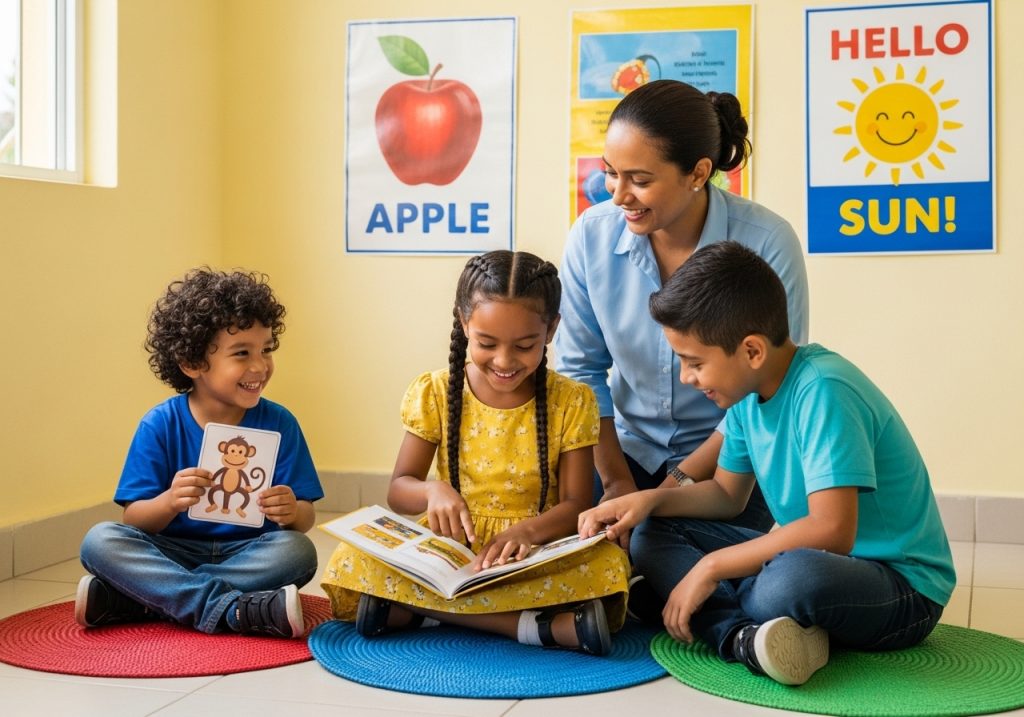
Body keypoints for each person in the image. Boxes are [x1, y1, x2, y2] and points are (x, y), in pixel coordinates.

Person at [578, 241, 955, 685]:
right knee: (654, 529)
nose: (685, 377)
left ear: (751, 350)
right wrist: (646, 502)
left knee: (790, 578)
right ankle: (743, 636)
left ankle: (711, 612)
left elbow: (833, 531)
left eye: (694, 362)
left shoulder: (824, 389)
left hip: (902, 590)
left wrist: (708, 567)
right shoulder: (748, 398)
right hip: (823, 562)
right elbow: (725, 495)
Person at [321, 250, 630, 656]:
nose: (504, 361)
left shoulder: (572, 401)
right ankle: (535, 627)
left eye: (525, 345)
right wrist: (432, 493)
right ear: (464, 322)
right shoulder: (434, 391)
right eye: (486, 343)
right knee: (348, 559)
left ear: (552, 329)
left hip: (531, 551)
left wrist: (526, 532)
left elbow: (577, 504)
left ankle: (421, 612)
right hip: (450, 548)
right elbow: (399, 489)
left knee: (609, 566)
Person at [555, 79, 809, 533]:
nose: (617, 195)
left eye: (641, 180)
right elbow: (581, 372)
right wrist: (617, 485)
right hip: (622, 451)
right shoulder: (590, 236)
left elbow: (769, 385)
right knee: (567, 554)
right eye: (611, 171)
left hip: (731, 462)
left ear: (697, 173)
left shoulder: (767, 242)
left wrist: (668, 490)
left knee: (669, 565)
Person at [76, 269, 324, 638]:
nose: (260, 366)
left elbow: (304, 518)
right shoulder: (159, 424)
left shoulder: (280, 423)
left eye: (266, 349)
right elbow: (134, 521)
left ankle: (145, 599)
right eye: (242, 353)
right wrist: (169, 501)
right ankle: (232, 609)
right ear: (192, 363)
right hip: (171, 550)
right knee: (100, 540)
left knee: (297, 551)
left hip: (249, 550)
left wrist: (292, 511)